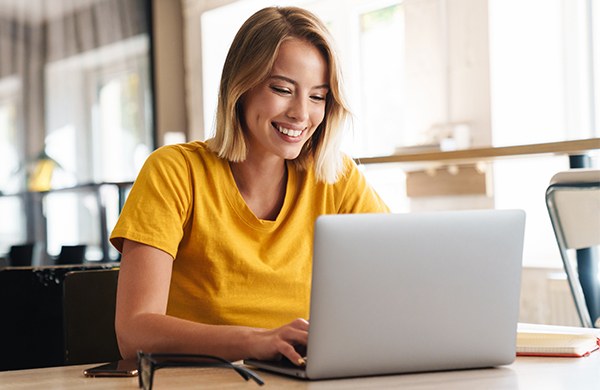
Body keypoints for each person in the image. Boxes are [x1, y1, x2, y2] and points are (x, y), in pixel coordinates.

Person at [110, 6, 389, 367]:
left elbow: (397, 284)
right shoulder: (175, 172)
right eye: (282, 89)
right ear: (240, 86)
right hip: (200, 381)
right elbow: (133, 334)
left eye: (318, 96)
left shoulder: (336, 178)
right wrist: (257, 341)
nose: (301, 114)